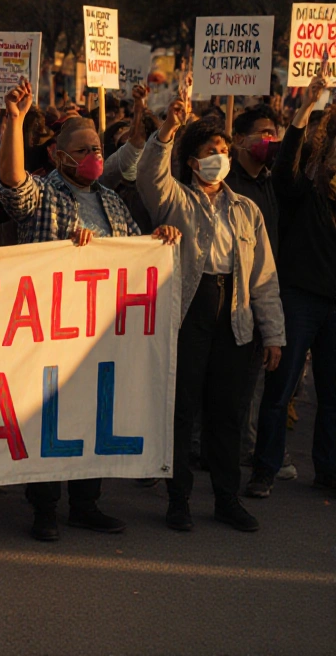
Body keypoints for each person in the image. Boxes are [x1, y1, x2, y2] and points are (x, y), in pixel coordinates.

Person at [0, 78, 177, 542]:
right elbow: (13, 185)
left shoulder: (112, 199)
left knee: (93, 417)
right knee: (48, 421)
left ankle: (85, 504)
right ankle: (43, 508)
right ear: (60, 156)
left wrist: (159, 241)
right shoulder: (45, 195)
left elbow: (135, 253)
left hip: (99, 334)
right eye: (84, 148)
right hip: (49, 332)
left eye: (98, 145)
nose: (95, 154)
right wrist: (14, 124)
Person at [136, 94, 284, 532]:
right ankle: (177, 499)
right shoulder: (175, 200)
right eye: (209, 152)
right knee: (181, 410)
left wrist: (272, 333)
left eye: (223, 151)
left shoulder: (246, 209)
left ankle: (226, 498)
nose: (219, 158)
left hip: (235, 315)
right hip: (189, 312)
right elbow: (147, 175)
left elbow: (264, 277)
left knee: (226, 412)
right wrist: (167, 131)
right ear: (192, 161)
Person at [248, 74, 336, 498]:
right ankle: (264, 470)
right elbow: (285, 167)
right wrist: (305, 110)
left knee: (332, 395)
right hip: (299, 299)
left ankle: (328, 471)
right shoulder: (303, 192)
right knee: (280, 390)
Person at [225, 104, 290, 479]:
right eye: (263, 132)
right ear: (238, 140)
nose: (269, 140)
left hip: (256, 298)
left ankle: (239, 453)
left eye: (274, 132)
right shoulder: (227, 185)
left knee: (249, 387)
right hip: (224, 298)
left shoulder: (271, 183)